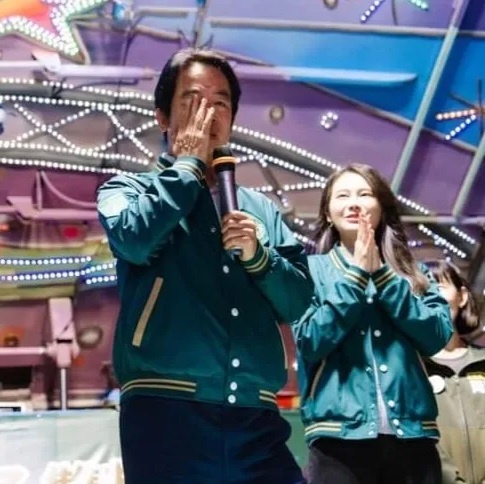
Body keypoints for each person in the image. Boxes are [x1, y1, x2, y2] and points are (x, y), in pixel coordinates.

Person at [97, 48, 313, 483]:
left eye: (220, 103)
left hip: (255, 413)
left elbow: (297, 301)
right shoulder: (127, 189)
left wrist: (259, 257)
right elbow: (134, 239)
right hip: (166, 411)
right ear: (162, 116)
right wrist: (187, 168)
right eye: (192, 100)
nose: (208, 113)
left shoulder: (260, 208)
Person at [293, 163, 453, 484]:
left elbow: (437, 337)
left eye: (364, 194)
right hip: (337, 439)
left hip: (413, 438)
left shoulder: (414, 273)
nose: (354, 203)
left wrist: (383, 277)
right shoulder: (308, 271)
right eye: (343, 196)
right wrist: (355, 278)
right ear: (327, 213)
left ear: (382, 207)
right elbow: (309, 340)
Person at [424, 260, 485, 484]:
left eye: (440, 287)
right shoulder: (413, 368)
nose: (433, 297)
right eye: (424, 290)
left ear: (462, 297)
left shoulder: (482, 362)